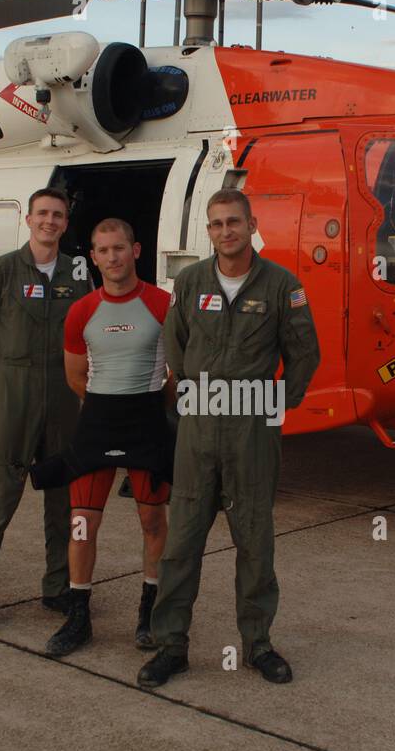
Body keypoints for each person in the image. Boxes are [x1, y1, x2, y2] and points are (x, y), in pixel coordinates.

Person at [137, 189, 320, 689]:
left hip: (251, 432)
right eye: (215, 224)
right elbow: (175, 344)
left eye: (233, 222)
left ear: (251, 223)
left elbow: (305, 354)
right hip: (199, 429)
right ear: (209, 230)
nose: (224, 231)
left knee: (255, 542)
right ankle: (171, 644)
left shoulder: (282, 285)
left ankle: (258, 644)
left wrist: (277, 403)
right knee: (182, 544)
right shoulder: (191, 281)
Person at [0, 188, 92, 634]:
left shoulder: (79, 271)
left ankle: (58, 586)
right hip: (14, 397)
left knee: (64, 503)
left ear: (66, 224)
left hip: (65, 398)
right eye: (42, 214)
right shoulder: (1, 270)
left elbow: (91, 328)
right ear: (28, 219)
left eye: (58, 215)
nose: (50, 221)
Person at [29, 218, 174, 656]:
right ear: (93, 257)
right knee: (82, 525)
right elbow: (76, 376)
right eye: (103, 250)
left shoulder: (163, 303)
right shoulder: (82, 311)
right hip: (96, 422)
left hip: (148, 421)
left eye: (119, 248)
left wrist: (143, 402)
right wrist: (109, 405)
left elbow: (177, 371)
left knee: (152, 522)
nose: (112, 257)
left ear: (136, 250)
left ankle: (150, 610)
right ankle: (79, 617)